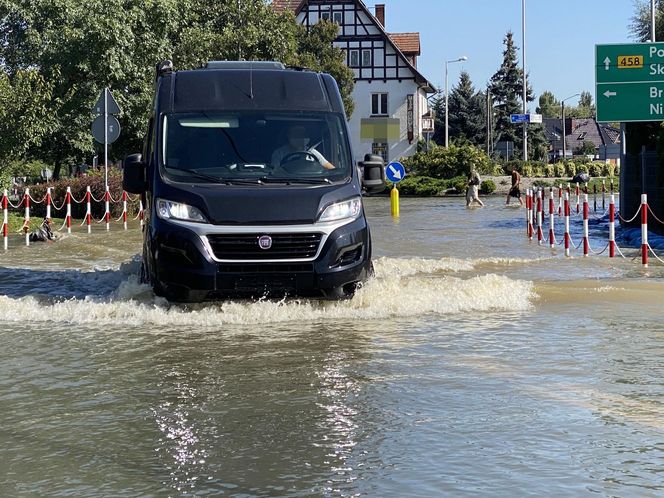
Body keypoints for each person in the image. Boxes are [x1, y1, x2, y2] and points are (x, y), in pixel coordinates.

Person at [270, 125, 335, 171]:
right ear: (288, 135)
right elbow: (275, 171)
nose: (299, 137)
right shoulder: (279, 153)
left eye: (301, 134)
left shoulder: (311, 151)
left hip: (310, 182)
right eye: (295, 134)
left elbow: (330, 167)